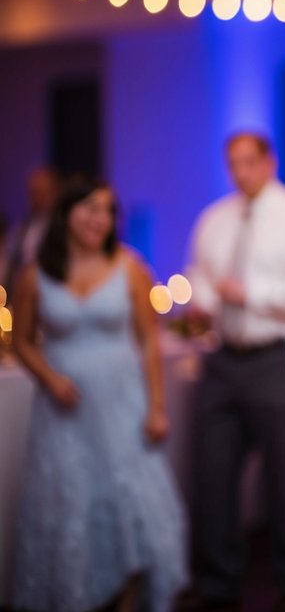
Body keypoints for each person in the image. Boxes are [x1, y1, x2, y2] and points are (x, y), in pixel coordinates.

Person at [8, 176, 186, 612]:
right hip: (64, 411)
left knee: (129, 504)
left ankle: (127, 598)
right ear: (66, 213)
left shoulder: (129, 268)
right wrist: (50, 379)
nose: (99, 219)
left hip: (123, 405)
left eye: (107, 210)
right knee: (72, 503)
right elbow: (21, 340)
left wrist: (157, 407)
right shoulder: (35, 275)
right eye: (89, 208)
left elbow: (148, 341)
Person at [182, 132, 285, 611]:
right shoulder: (213, 220)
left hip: (275, 359)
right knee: (212, 476)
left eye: (249, 161)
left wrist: (250, 292)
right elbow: (197, 274)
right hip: (221, 360)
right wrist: (208, 295)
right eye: (232, 163)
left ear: (269, 161)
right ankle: (217, 584)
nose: (241, 172)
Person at [1, 165, 59, 286]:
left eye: (44, 191)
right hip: (22, 288)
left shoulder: (63, 226)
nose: (39, 197)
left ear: (55, 191)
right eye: (34, 192)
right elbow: (11, 263)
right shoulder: (22, 228)